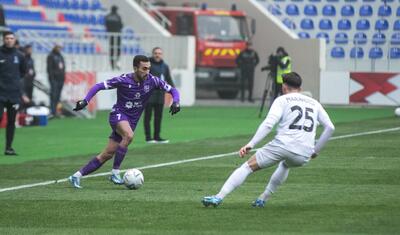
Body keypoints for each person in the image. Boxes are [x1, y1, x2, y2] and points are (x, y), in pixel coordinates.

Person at [202, 72, 335, 208]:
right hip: (304, 153)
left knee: (247, 167)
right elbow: (330, 127)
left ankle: (218, 197)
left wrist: (251, 144)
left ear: (283, 87)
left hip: (282, 145)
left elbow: (268, 124)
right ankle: (263, 198)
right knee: (285, 165)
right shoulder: (315, 103)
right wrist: (315, 151)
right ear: (300, 89)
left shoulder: (282, 100)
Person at [68, 55, 180, 189]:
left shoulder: (153, 81)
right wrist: (85, 101)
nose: (147, 72)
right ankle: (115, 173)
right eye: (144, 69)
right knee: (129, 136)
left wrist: (176, 101)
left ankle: (76, 176)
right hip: (118, 115)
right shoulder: (123, 80)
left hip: (131, 122)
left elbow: (172, 89)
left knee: (107, 154)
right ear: (135, 68)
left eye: (149, 68)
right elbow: (98, 86)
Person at [0, 31, 28, 155]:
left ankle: (8, 148)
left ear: (14, 40)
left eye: (11, 38)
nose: (9, 40)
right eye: (7, 38)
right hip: (0, 93)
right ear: (3, 39)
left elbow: (23, 72)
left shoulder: (20, 56)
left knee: (11, 121)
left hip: (13, 94)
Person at [143, 47, 175, 144]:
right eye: (156, 53)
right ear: (153, 54)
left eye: (159, 53)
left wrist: (173, 91)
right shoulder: (147, 65)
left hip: (160, 95)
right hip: (149, 94)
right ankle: (148, 137)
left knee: (158, 117)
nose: (158, 55)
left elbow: (168, 79)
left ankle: (157, 137)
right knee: (148, 117)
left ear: (162, 55)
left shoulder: (165, 66)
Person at [47, 44, 65, 117]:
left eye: (60, 47)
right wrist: (51, 79)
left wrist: (63, 77)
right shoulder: (51, 56)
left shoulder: (60, 56)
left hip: (61, 79)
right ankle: (52, 111)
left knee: (58, 96)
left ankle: (56, 111)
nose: (59, 49)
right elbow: (49, 68)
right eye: (58, 47)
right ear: (55, 47)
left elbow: (63, 67)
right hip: (54, 79)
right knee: (53, 95)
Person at [105, 5, 123, 70]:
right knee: (118, 49)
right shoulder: (118, 16)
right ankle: (117, 61)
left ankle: (112, 65)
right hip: (117, 34)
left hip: (110, 35)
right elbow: (121, 25)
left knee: (112, 50)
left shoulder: (107, 16)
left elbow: (106, 26)